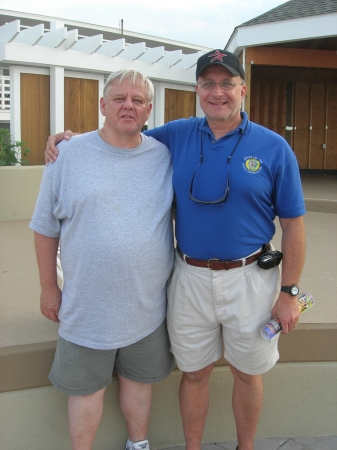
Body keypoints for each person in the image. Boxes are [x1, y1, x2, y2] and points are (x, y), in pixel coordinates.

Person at [45, 50, 306, 450]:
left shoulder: (273, 148)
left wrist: (289, 293)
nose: (217, 92)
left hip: (251, 277)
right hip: (189, 277)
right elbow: (120, 134)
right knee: (195, 373)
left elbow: (294, 226)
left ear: (242, 90)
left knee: (247, 373)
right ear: (198, 90)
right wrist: (69, 139)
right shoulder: (177, 135)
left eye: (226, 84)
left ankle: (246, 447)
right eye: (208, 84)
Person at [31, 69, 175, 450]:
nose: (128, 105)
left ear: (148, 110)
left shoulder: (164, 156)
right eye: (119, 98)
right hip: (85, 306)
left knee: (139, 382)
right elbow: (45, 227)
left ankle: (138, 444)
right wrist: (49, 288)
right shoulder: (67, 155)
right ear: (102, 105)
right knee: (84, 389)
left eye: (138, 100)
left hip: (147, 306)